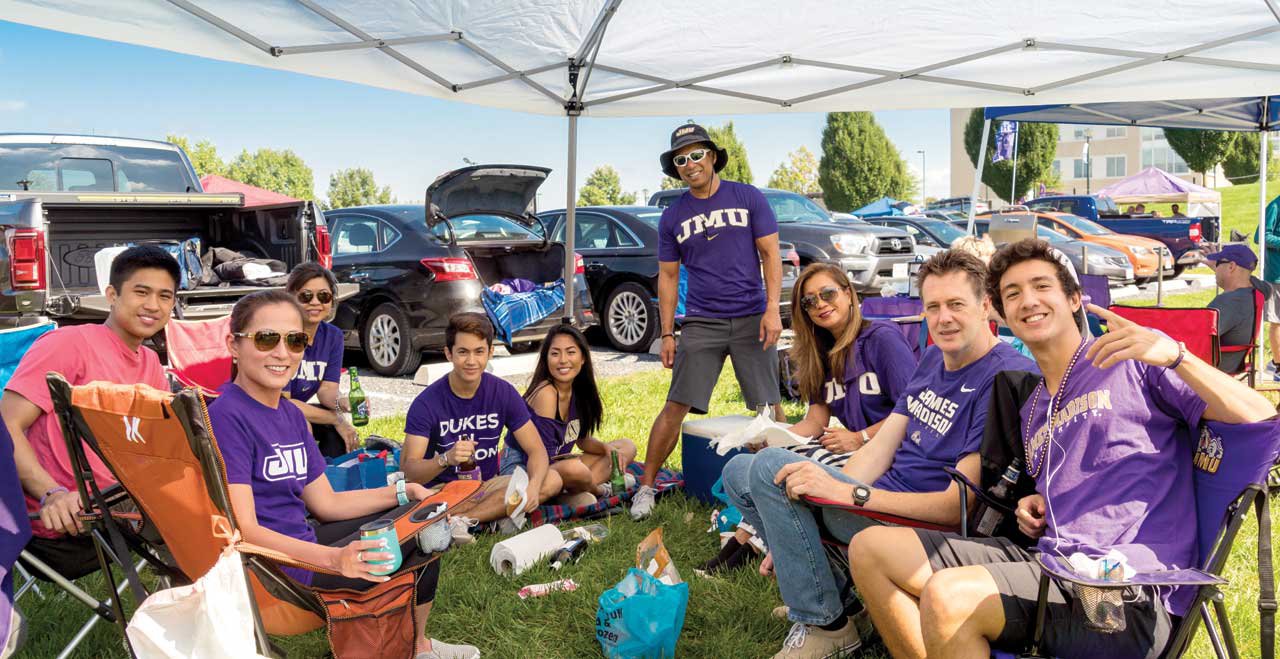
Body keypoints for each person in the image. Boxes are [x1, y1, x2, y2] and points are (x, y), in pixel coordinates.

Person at [849, 239, 1275, 659]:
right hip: (1051, 563)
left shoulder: (1132, 362)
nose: (1028, 300)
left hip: (1122, 588)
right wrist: (1038, 503)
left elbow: (1260, 416)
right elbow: (1080, 477)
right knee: (871, 550)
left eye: (1041, 286)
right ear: (1001, 314)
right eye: (1013, 294)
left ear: (1074, 299)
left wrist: (1175, 355)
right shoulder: (1033, 406)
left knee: (949, 595)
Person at [722, 251, 1036, 659]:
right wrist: (807, 510)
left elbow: (956, 508)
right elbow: (881, 448)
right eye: (933, 307)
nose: (943, 319)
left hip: (920, 528)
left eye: (956, 304)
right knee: (739, 470)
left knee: (768, 467)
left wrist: (848, 496)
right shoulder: (931, 358)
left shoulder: (999, 377)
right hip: (875, 507)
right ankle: (845, 604)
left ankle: (828, 625)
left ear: (986, 305)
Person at [209, 291, 478, 659]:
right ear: (234, 345)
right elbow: (247, 531)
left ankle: (415, 645)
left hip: (304, 541)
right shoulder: (227, 416)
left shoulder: (289, 415)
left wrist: (405, 492)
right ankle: (410, 648)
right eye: (267, 338)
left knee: (421, 518)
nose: (283, 352)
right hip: (276, 570)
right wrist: (334, 559)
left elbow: (327, 502)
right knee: (414, 539)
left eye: (295, 340)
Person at [700, 263, 915, 575]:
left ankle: (749, 544)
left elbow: (912, 411)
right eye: (809, 301)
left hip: (890, 457)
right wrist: (774, 440)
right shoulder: (821, 353)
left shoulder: (882, 339)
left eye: (827, 294)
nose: (820, 304)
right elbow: (814, 422)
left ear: (849, 293)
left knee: (789, 472)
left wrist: (860, 437)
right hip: (856, 455)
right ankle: (759, 544)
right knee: (759, 466)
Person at [633, 121, 784, 520]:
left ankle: (786, 480)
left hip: (753, 316)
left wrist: (772, 309)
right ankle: (645, 488)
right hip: (702, 321)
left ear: (713, 157)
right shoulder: (673, 216)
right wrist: (667, 333)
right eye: (681, 159)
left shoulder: (747, 197)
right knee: (675, 404)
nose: (690, 164)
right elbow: (667, 276)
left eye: (697, 154)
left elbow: (771, 254)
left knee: (769, 405)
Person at [3, 245, 177, 580]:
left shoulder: (151, 363)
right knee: (203, 516)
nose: (153, 305)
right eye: (141, 292)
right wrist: (51, 494)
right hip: (63, 518)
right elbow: (6, 424)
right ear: (112, 294)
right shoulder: (70, 344)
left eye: (165, 296)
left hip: (125, 508)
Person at [401, 313, 560, 528]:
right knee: (425, 503)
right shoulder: (427, 403)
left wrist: (533, 487)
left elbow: (537, 450)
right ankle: (488, 515)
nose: (471, 361)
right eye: (463, 352)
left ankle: (460, 521)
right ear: (449, 353)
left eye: (479, 352)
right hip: (443, 490)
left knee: (552, 480)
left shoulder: (502, 392)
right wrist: (446, 459)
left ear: (491, 352)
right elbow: (409, 471)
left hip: (487, 486)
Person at [499, 325, 636, 503]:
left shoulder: (577, 391)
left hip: (556, 466)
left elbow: (580, 440)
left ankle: (571, 492)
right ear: (546, 359)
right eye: (555, 354)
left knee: (625, 447)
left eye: (571, 352)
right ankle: (598, 490)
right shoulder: (547, 393)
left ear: (583, 358)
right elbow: (540, 457)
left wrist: (605, 448)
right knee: (575, 469)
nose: (563, 360)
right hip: (526, 469)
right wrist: (573, 470)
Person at [282, 263, 360, 458]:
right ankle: (307, 486)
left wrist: (342, 403)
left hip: (294, 409)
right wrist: (335, 418)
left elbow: (327, 390)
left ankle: (334, 482)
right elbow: (283, 403)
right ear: (290, 298)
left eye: (324, 296)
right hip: (264, 410)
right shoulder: (282, 335)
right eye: (306, 296)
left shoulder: (333, 336)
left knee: (339, 436)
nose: (315, 302)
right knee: (303, 427)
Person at [1205, 244, 1272, 373]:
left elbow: (1197, 337)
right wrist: (1237, 274)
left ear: (1231, 266)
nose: (1215, 267)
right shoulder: (1256, 293)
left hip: (1211, 370)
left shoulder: (1228, 302)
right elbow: (1265, 287)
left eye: (1218, 263)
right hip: (1234, 363)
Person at [1261, 194, 1280, 380]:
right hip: (1277, 276)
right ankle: (1278, 367)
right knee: (1277, 321)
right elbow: (1262, 236)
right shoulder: (1276, 205)